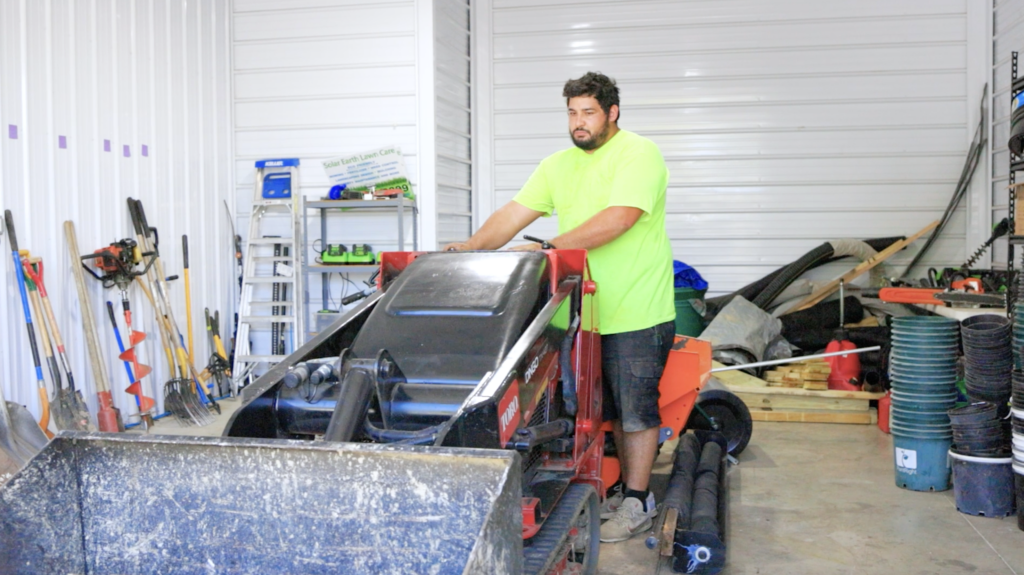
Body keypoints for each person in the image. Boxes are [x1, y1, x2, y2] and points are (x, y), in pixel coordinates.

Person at [443, 72, 675, 543]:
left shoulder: (638, 153)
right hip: (581, 315)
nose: (578, 122)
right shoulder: (557, 165)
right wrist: (469, 249)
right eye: (572, 113)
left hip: (637, 309)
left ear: (612, 113)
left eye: (588, 112)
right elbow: (513, 214)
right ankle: (614, 490)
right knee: (596, 410)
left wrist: (546, 248)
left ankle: (637, 500)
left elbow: (619, 218)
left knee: (635, 410)